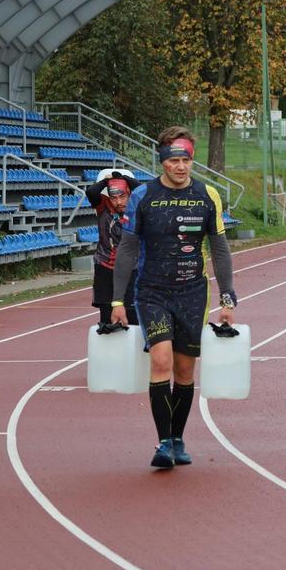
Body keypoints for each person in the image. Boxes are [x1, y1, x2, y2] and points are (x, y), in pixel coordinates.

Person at [110, 127, 237, 469]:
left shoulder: (207, 194)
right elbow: (126, 249)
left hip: (193, 293)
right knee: (161, 361)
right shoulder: (143, 196)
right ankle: (163, 442)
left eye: (185, 160)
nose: (180, 167)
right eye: (173, 161)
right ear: (162, 162)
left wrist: (228, 300)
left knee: (183, 371)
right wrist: (116, 301)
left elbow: (220, 250)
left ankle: (178, 439)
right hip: (152, 291)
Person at [85, 168, 140, 333]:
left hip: (132, 267)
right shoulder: (103, 206)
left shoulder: (137, 207)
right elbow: (91, 192)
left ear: (129, 194)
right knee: (107, 315)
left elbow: (143, 189)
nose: (118, 202)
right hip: (105, 266)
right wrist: (106, 181)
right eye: (114, 197)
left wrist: (124, 178)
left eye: (122, 196)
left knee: (132, 314)